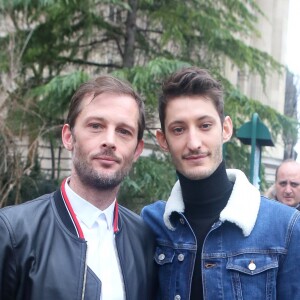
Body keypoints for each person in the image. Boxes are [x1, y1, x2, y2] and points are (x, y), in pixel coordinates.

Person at [141, 67, 300, 300]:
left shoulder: (285, 228)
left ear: (225, 129)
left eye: (205, 125)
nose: (194, 142)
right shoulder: (152, 224)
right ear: (163, 140)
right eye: (178, 129)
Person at [0, 75, 157, 300]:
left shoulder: (145, 240)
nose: (110, 141)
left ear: (137, 149)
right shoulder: (14, 233)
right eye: (96, 126)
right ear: (68, 137)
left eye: (124, 131)